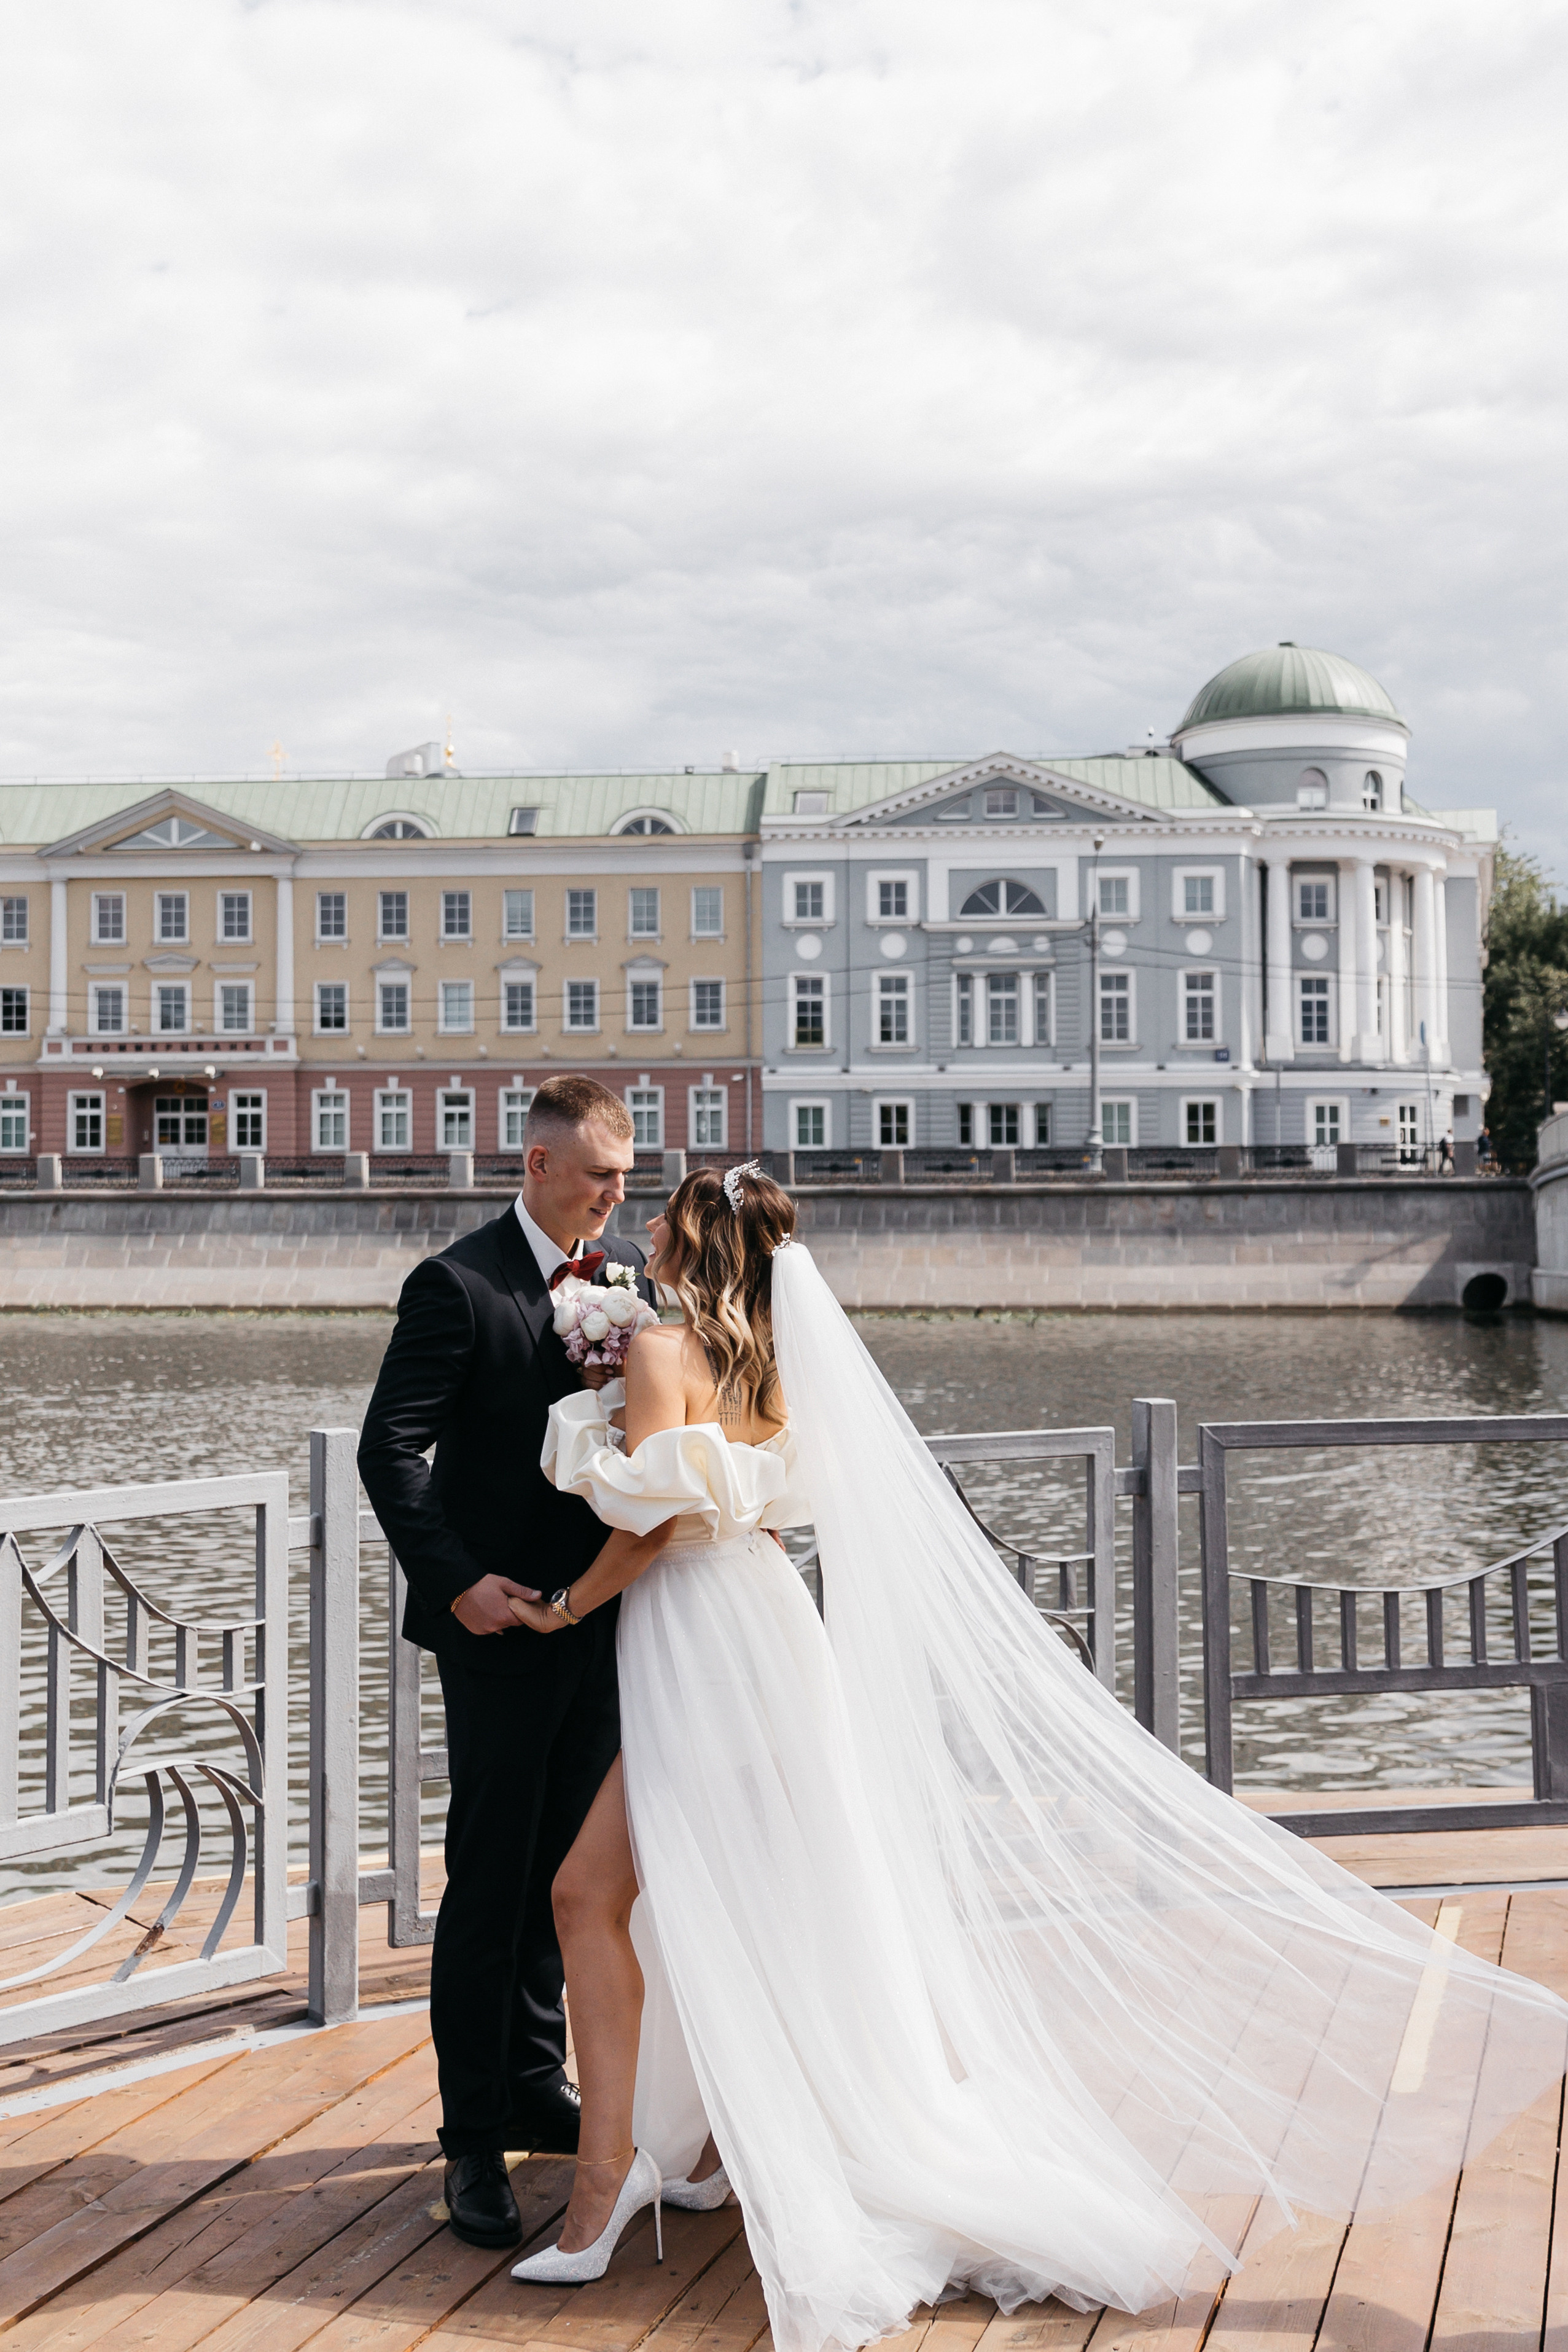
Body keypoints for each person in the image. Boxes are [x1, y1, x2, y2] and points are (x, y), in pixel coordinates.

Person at [505, 1163, 1568, 2351]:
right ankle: (698, 2148)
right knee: (754, 1890)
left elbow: (651, 1524)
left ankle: (606, 2185)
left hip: (696, 1639)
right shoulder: (768, 1356)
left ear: (695, 1241)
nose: (641, 1223)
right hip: (766, 1631)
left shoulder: (659, 1352)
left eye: (661, 1212)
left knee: (588, 1892)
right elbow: (724, 1500)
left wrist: (560, 1599)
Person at [356, 1074, 663, 2251]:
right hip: (495, 1631)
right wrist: (456, 1582)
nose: (614, 1195)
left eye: (623, 1178)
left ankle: (539, 2083)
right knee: (488, 1880)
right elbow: (394, 1448)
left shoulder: (627, 1268)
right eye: (597, 1175)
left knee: (570, 1878)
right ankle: (472, 2138)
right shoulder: (457, 1282)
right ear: (537, 1166)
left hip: (607, 1623)